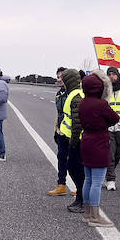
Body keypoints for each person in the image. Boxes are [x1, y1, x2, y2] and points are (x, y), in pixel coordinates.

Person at [78, 73, 119, 225]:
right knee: (97, 182)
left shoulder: (82, 103)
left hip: (86, 140)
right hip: (99, 142)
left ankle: (87, 213)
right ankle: (96, 216)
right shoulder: (101, 104)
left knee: (88, 180)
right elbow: (115, 118)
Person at [58, 69, 87, 212]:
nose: (62, 81)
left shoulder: (76, 96)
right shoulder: (73, 94)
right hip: (71, 139)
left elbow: (77, 123)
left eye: (64, 79)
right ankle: (80, 199)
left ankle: (81, 200)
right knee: (72, 168)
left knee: (77, 171)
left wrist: (73, 142)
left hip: (76, 141)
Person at [47, 67, 72, 196]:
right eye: (57, 77)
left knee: (74, 160)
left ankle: (78, 186)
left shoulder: (74, 93)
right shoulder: (59, 94)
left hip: (74, 133)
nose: (59, 80)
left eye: (61, 77)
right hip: (62, 131)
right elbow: (59, 114)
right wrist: (56, 129)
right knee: (61, 157)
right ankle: (61, 185)